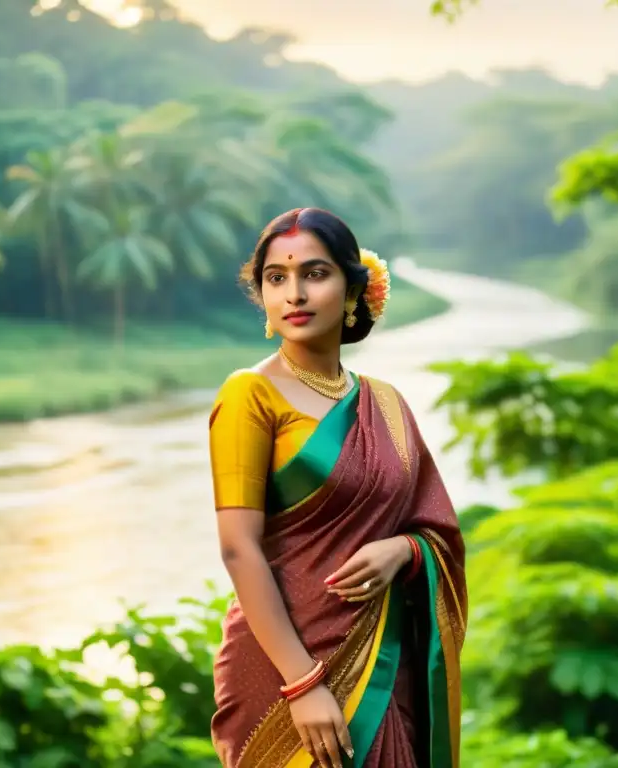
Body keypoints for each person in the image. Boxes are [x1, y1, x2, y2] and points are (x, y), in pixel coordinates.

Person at [207, 207, 468, 768]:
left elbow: (434, 528)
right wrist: (302, 684)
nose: (294, 293)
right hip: (281, 672)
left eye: (315, 274)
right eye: (277, 278)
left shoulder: (388, 405)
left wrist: (402, 551)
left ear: (353, 289)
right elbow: (238, 547)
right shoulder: (250, 395)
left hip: (383, 659)